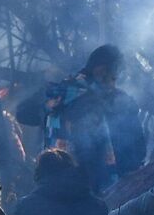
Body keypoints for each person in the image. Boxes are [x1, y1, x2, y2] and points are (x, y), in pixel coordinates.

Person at [20, 45, 146, 193]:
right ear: (101, 70)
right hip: (104, 190)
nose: (115, 82)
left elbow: (22, 114)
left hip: (56, 188)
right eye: (115, 75)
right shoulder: (118, 101)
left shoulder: (58, 93)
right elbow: (137, 149)